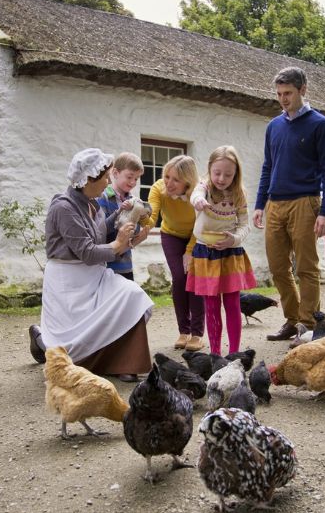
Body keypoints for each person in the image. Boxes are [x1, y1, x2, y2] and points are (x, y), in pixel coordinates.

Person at [28, 148, 154, 382]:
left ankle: (123, 362)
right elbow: (86, 251)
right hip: (70, 280)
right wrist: (117, 245)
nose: (108, 181)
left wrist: (120, 214)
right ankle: (42, 341)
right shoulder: (63, 207)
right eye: (105, 177)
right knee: (69, 343)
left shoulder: (91, 203)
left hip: (92, 274)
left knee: (132, 295)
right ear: (88, 180)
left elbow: (99, 232)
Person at [252, 66, 325, 342]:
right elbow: (268, 166)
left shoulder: (320, 124)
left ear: (303, 90)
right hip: (275, 204)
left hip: (305, 201)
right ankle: (291, 320)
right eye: (279, 94)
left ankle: (309, 324)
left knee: (306, 267)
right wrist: (259, 203)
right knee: (278, 268)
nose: (283, 99)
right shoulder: (273, 126)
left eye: (288, 93)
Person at [188, 146, 257, 356]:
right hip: (205, 254)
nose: (221, 178)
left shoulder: (239, 194)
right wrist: (198, 200)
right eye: (217, 173)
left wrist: (233, 239)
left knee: (232, 304)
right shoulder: (204, 188)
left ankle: (234, 353)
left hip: (230, 253)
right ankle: (215, 354)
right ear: (209, 169)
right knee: (211, 305)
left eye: (228, 174)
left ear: (236, 174)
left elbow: (245, 225)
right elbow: (195, 195)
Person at [145, 154, 205, 352]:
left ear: (187, 181)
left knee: (193, 279)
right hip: (171, 235)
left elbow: (202, 224)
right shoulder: (158, 188)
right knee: (179, 278)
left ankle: (197, 334)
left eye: (176, 180)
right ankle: (183, 331)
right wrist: (142, 225)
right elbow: (152, 215)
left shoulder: (199, 194)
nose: (169, 183)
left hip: (196, 236)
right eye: (167, 176)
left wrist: (190, 251)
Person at [97, 152, 151, 280]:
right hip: (106, 265)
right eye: (129, 177)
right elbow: (102, 230)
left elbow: (134, 230)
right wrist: (120, 211)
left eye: (136, 179)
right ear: (115, 173)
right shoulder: (104, 196)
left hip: (126, 264)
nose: (133, 182)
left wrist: (142, 216)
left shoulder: (134, 201)